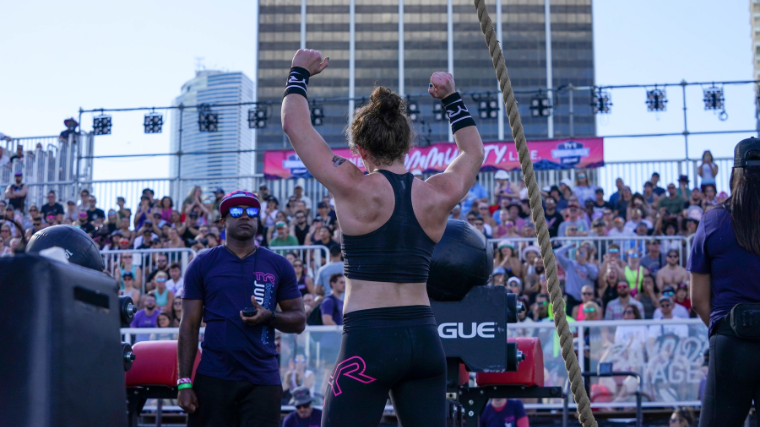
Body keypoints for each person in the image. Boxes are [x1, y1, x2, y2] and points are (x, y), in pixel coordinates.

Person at [282, 49, 484, 426]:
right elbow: (472, 153)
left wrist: (299, 72)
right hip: (424, 340)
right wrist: (451, 98)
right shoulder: (437, 193)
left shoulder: (352, 186)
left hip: (369, 341)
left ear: (359, 150)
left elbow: (295, 126)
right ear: (407, 146)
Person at [177, 190, 305, 427]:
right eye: (237, 211)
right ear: (223, 221)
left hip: (262, 379)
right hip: (214, 376)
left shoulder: (278, 264)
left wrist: (270, 317)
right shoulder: (203, 263)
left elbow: (299, 321)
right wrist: (184, 382)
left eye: (252, 212)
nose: (245, 216)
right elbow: (189, 325)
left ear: (258, 220)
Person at [689, 138, 760, 427]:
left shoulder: (713, 220)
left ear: (735, 174)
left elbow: (698, 300)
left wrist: (726, 328)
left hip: (731, 341)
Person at [555, 243, 598, 314]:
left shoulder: (592, 266)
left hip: (586, 299)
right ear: (576, 254)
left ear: (587, 254)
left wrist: (585, 264)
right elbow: (558, 253)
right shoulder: (570, 264)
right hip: (571, 299)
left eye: (584, 251)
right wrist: (570, 245)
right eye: (579, 251)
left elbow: (594, 276)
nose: (581, 253)